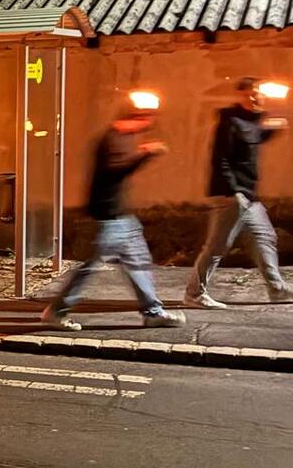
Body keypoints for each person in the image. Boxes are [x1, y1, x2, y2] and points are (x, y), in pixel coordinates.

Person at [42, 102, 186, 331]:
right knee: (90, 267)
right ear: (135, 117)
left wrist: (142, 154)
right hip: (107, 216)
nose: (147, 126)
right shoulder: (111, 139)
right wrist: (145, 154)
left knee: (138, 263)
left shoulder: (122, 138)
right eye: (145, 120)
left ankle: (153, 312)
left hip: (122, 217)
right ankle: (56, 312)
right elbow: (115, 171)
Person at [184, 77, 290, 308]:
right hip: (231, 195)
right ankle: (194, 294)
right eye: (248, 94)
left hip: (248, 195)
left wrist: (273, 128)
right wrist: (233, 191)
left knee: (264, 238)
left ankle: (277, 289)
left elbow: (254, 138)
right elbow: (220, 158)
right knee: (217, 246)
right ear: (240, 96)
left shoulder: (253, 121)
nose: (253, 97)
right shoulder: (230, 121)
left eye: (257, 93)